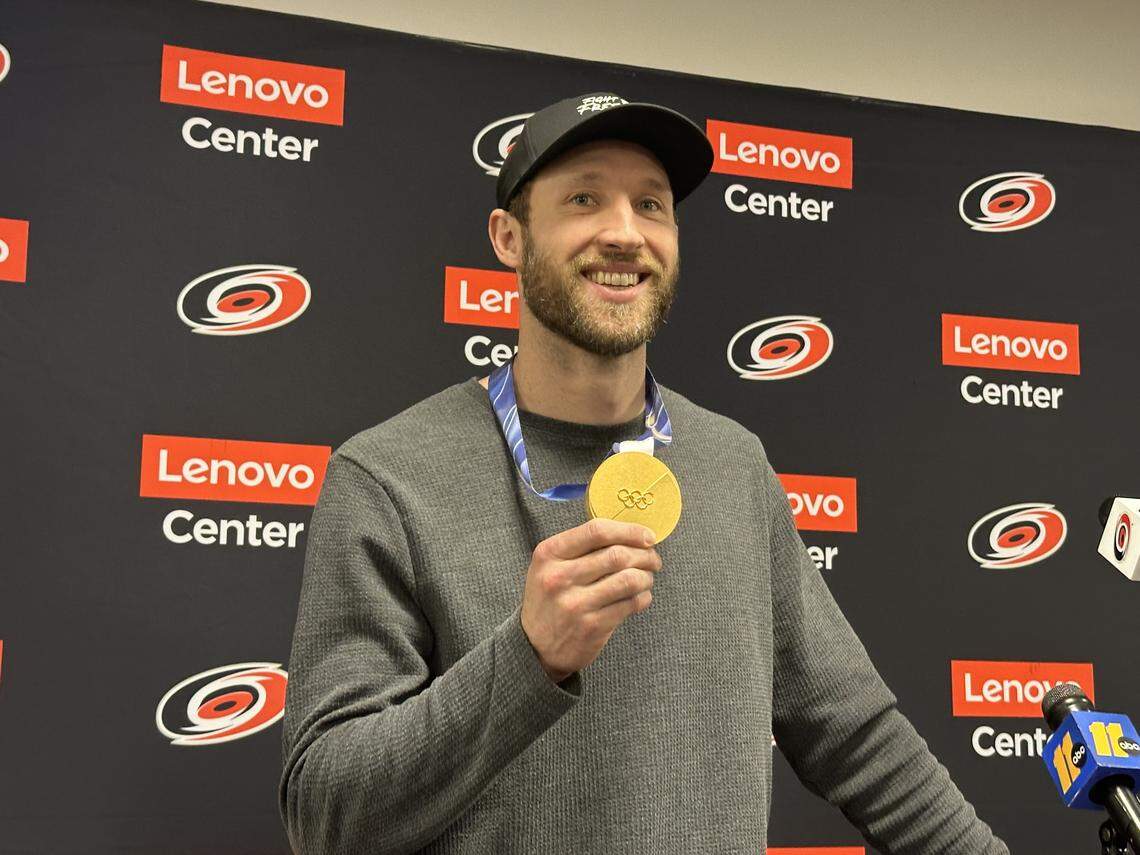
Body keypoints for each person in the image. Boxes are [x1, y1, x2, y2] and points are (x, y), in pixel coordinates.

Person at [279, 92, 1009, 854]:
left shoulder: (732, 464)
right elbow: (327, 816)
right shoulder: (388, 477)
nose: (624, 232)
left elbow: (859, 738)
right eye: (585, 198)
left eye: (651, 205)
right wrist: (527, 658)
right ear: (509, 237)